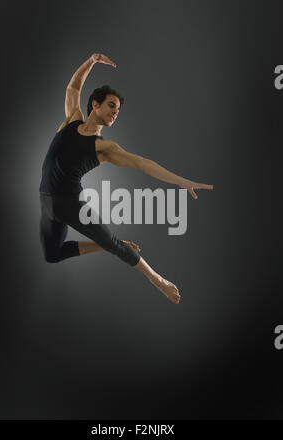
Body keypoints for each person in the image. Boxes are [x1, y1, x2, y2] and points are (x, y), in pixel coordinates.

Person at [39, 53, 213, 305]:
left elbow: (141, 163)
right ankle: (103, 245)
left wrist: (180, 181)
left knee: (115, 244)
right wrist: (91, 61)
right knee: (52, 255)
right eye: (111, 106)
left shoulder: (103, 147)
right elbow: (73, 87)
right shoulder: (71, 119)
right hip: (45, 201)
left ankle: (158, 280)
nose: (115, 113)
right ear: (95, 105)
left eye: (118, 110)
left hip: (68, 203)